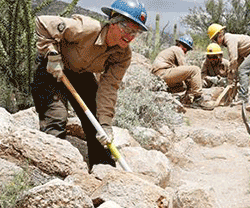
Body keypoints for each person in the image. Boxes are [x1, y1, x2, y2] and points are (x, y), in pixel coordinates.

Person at [31, 0, 148, 170]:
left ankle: (103, 172)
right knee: (56, 117)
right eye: (127, 28)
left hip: (80, 74)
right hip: (52, 68)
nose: (130, 36)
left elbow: (108, 89)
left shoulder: (123, 55)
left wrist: (106, 125)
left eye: (135, 32)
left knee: (98, 125)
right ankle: (51, 172)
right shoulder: (88, 28)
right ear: (113, 22)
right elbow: (42, 22)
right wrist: (51, 54)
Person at [207, 23, 250, 105]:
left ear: (219, 35)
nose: (215, 42)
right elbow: (239, 59)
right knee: (240, 71)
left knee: (243, 71)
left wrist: (231, 74)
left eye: (214, 40)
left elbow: (233, 59)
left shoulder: (229, 39)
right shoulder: (228, 41)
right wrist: (234, 75)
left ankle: (243, 98)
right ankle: (236, 96)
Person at [151, 35, 213, 110]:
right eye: (186, 49)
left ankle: (175, 98)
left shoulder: (171, 50)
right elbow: (186, 70)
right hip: (163, 73)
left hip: (159, 77)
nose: (186, 51)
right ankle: (198, 99)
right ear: (181, 45)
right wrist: (193, 90)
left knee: (182, 86)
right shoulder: (177, 49)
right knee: (195, 70)